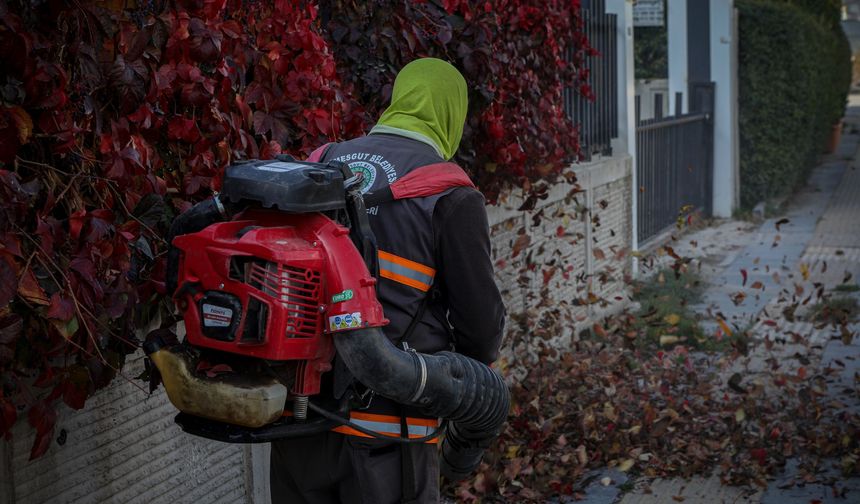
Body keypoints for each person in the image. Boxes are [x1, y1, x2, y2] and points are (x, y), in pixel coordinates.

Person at [269, 57, 506, 504]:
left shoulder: (320, 163)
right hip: (388, 431)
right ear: (451, 114)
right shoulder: (450, 194)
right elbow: (481, 330)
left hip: (299, 418)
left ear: (400, 99)